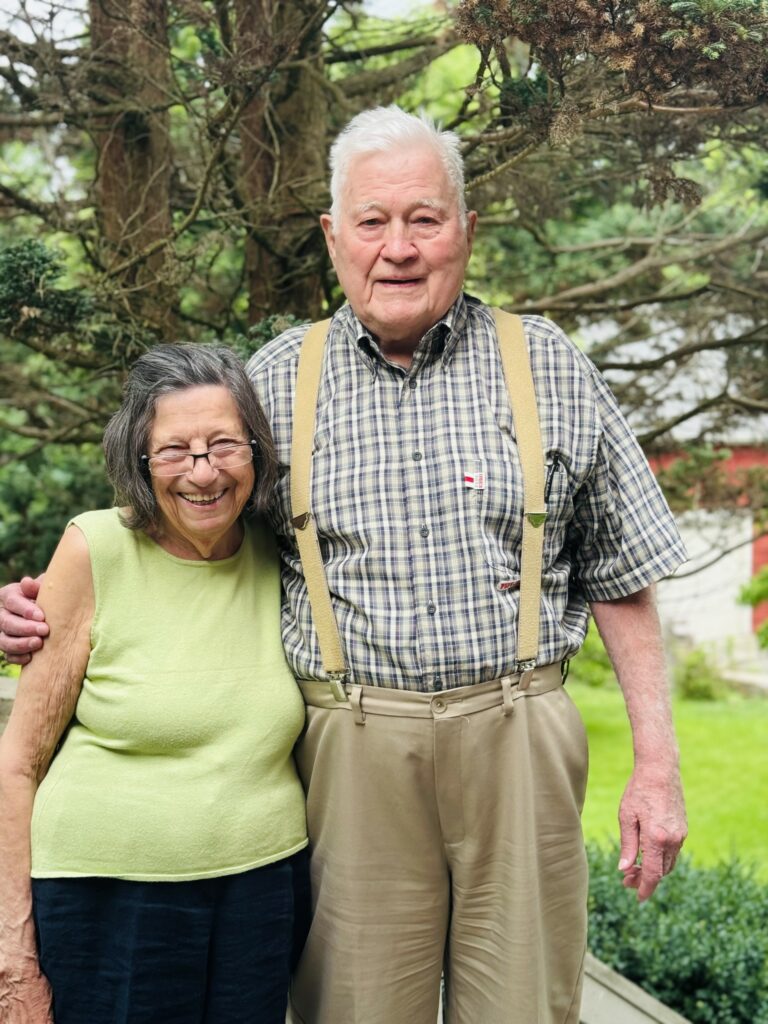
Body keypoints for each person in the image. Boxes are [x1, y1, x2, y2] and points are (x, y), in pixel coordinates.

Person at [0, 107, 688, 1024]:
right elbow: (175, 527)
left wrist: (657, 765)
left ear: (466, 229)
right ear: (334, 236)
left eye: (424, 219)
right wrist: (46, 605)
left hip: (521, 731)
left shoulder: (549, 364)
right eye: (372, 221)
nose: (397, 248)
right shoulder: (273, 382)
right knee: (354, 1009)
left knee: (526, 1004)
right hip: (352, 748)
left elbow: (622, 570)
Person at [0, 345, 309, 1024]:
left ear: (256, 451)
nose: (203, 472)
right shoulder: (95, 548)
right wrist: (12, 956)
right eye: (174, 451)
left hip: (263, 893)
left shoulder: (281, 549)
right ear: (139, 460)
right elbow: (17, 763)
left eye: (224, 445)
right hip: (108, 898)